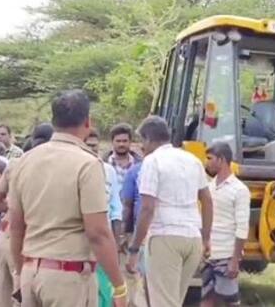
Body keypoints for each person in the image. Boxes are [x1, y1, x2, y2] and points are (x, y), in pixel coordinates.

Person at [8, 90, 127, 307]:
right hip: (68, 279)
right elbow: (98, 233)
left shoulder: (25, 161)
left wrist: (19, 273)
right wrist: (119, 286)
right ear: (88, 121)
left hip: (30, 273)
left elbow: (16, 227)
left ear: (54, 121)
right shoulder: (87, 164)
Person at [126, 116, 213, 307]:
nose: (141, 147)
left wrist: (134, 249)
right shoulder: (192, 160)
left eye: (142, 141)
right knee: (173, 301)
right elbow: (207, 200)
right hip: (193, 239)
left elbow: (147, 208)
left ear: (149, 139)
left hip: (165, 237)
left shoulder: (152, 161)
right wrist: (206, 238)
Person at [0, 122, 53, 307]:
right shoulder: (54, 168)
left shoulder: (16, 164)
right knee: (23, 297)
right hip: (25, 240)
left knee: (3, 295)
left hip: (4, 235)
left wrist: (13, 207)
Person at [201, 142, 251, 307]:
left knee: (230, 302)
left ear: (221, 160)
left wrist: (235, 260)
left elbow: (242, 228)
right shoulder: (208, 187)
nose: (206, 162)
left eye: (210, 158)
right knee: (207, 299)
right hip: (209, 255)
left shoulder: (239, 190)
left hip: (226, 254)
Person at [85, 128, 123, 307]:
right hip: (80, 240)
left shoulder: (108, 171)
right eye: (87, 145)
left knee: (105, 288)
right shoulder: (74, 169)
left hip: (103, 236)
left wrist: (115, 240)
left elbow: (116, 207)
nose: (91, 149)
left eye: (94, 146)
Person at [121, 162, 149, 307]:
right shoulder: (180, 166)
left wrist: (124, 233)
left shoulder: (137, 169)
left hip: (142, 229)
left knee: (136, 275)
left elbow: (128, 204)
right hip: (168, 231)